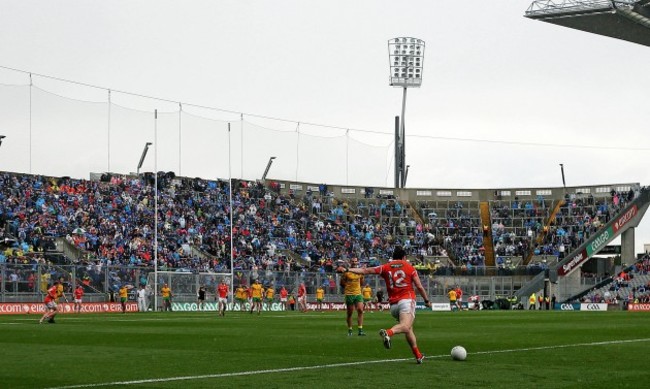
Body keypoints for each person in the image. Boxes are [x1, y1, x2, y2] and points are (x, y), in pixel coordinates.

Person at [337, 246, 432, 364]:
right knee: (406, 326)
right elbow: (419, 286)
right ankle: (388, 332)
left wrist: (347, 270)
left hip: (393, 306)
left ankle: (418, 355)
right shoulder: (410, 267)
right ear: (404, 257)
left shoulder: (386, 267)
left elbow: (366, 271)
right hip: (406, 300)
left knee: (408, 328)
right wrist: (427, 300)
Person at [340, 257, 366, 336]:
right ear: (350, 262)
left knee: (360, 310)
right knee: (350, 313)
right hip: (349, 294)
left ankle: (360, 330)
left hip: (358, 293)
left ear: (357, 262)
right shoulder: (346, 272)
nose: (354, 262)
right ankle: (350, 330)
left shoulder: (360, 272)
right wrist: (349, 287)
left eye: (356, 261)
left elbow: (361, 282)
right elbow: (341, 283)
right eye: (353, 261)